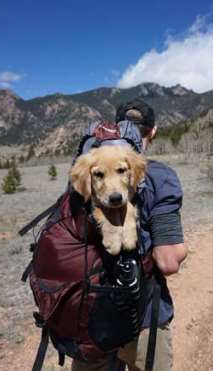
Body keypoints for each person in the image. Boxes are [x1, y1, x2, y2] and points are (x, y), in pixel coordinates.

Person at [72, 99, 188, 371]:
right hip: (142, 315)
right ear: (153, 132)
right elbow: (168, 262)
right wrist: (183, 249)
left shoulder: (87, 169)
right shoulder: (161, 177)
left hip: (89, 314)